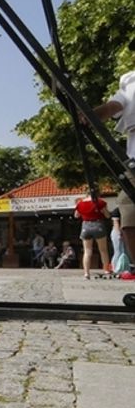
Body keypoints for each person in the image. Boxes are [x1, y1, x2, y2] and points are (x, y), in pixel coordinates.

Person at [90, 71, 135, 261]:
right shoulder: (131, 80)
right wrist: (90, 114)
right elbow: (113, 106)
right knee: (129, 209)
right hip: (134, 164)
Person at [74, 192, 110, 279]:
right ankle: (106, 270)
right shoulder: (100, 202)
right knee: (103, 250)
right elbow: (107, 215)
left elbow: (76, 215)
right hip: (98, 225)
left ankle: (86, 273)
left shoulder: (80, 203)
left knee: (87, 251)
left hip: (86, 226)